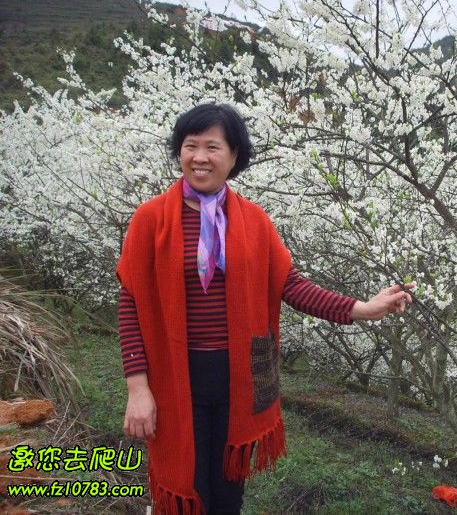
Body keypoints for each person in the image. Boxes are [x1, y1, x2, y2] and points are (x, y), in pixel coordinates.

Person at [116, 103, 413, 515]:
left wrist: (360, 309)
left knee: (227, 495)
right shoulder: (150, 219)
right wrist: (137, 388)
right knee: (187, 492)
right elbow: (130, 300)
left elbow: (291, 285)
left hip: (238, 379)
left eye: (212, 147)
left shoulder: (254, 221)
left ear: (234, 155)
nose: (200, 157)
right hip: (173, 378)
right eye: (190, 146)